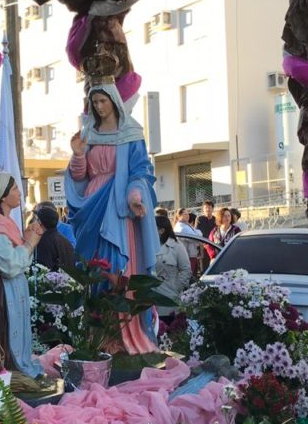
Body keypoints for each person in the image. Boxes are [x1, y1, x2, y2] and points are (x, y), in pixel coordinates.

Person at [65, 80, 160, 353]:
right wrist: (78, 155)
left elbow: (141, 171)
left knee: (118, 267)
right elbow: (79, 177)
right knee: (97, 271)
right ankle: (99, 337)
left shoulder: (131, 133)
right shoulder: (88, 134)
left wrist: (134, 196)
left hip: (119, 208)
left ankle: (125, 337)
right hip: (93, 203)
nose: (98, 107)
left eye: (103, 101)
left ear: (114, 101)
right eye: (94, 103)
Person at [0, 172, 45, 377]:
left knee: (16, 333)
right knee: (4, 333)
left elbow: (20, 261)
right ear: (2, 195)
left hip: (13, 287)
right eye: (14, 189)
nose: (19, 193)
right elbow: (9, 265)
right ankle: (7, 373)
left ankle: (14, 369)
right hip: (2, 290)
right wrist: (29, 243)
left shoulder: (6, 222)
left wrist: (28, 240)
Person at [154, 215, 191, 321]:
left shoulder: (176, 246)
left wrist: (176, 288)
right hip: (150, 303)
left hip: (169, 301)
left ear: (161, 230)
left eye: (153, 228)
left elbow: (186, 270)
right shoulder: (147, 246)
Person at [33, 204, 77, 275]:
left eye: (36, 219)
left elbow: (43, 270)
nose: (34, 222)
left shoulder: (44, 241)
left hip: (54, 283)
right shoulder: (62, 238)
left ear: (40, 222)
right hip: (67, 282)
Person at [173, 208, 204, 274]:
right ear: (179, 216)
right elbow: (195, 238)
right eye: (185, 214)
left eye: (188, 214)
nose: (187, 216)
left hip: (192, 255)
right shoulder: (181, 227)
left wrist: (197, 233)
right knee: (188, 277)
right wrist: (198, 233)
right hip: (187, 256)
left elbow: (198, 234)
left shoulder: (186, 225)